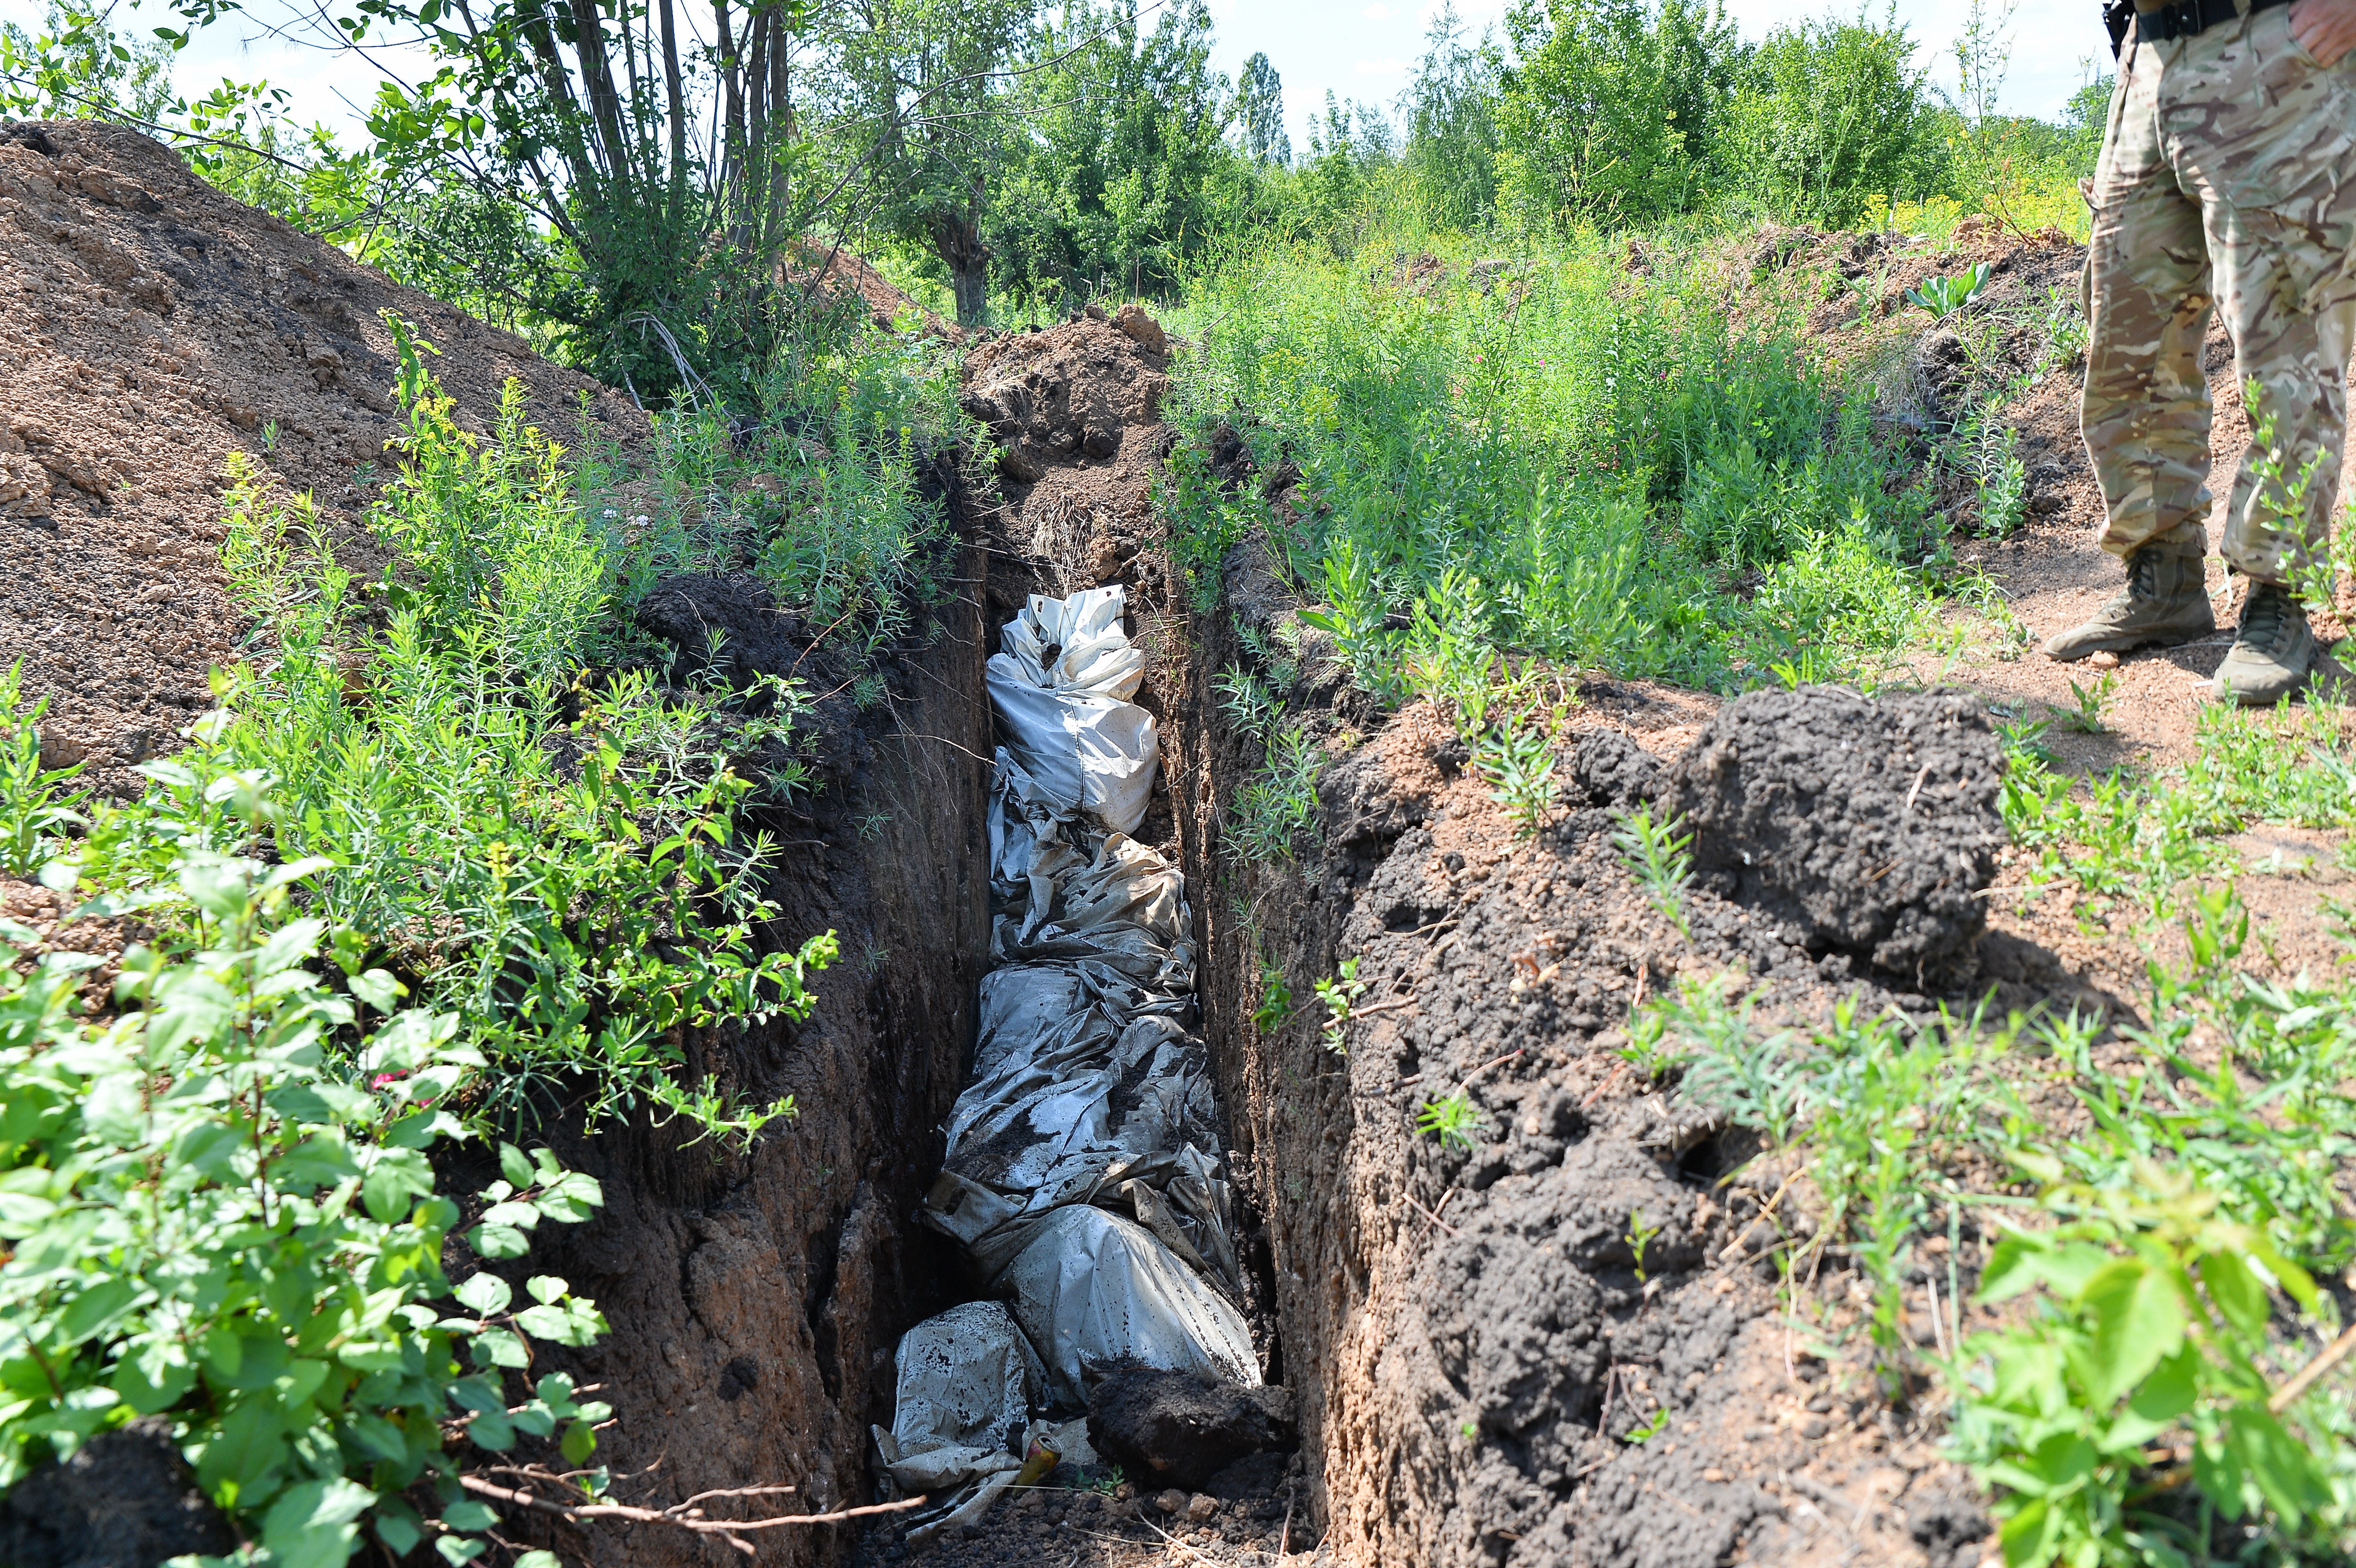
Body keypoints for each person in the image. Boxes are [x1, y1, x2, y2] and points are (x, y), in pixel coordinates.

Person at [2043, 0, 2356, 705]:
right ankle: (2165, 581)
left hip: (2276, 48)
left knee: (2287, 342)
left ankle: (2278, 600)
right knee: (2128, 337)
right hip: (2149, 55)